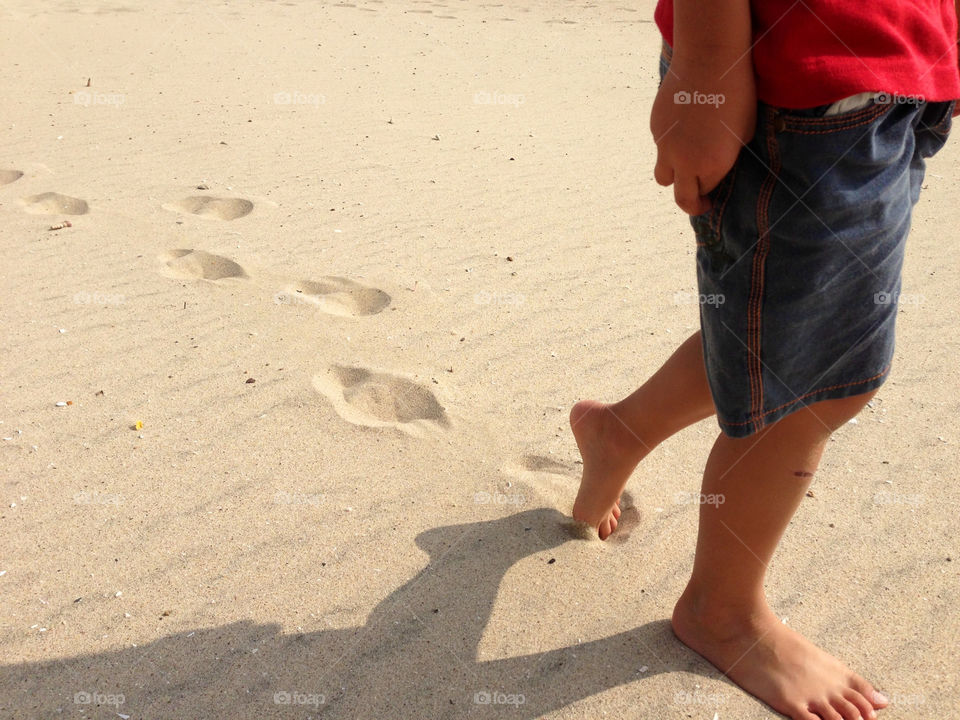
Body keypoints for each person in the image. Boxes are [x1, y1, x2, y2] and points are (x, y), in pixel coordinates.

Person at [570, 1, 960, 719]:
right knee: (820, 382)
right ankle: (722, 613)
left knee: (787, 338)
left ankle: (618, 432)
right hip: (796, 87)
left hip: (895, 69)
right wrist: (704, 76)